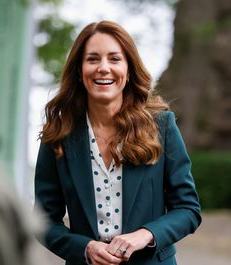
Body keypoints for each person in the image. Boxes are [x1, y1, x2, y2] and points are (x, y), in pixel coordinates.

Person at [34, 20, 201, 265]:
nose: (103, 68)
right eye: (92, 59)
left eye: (114, 59)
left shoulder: (161, 126)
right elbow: (43, 221)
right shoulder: (58, 133)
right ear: (80, 71)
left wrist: (146, 235)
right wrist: (85, 248)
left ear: (129, 69)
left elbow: (188, 210)